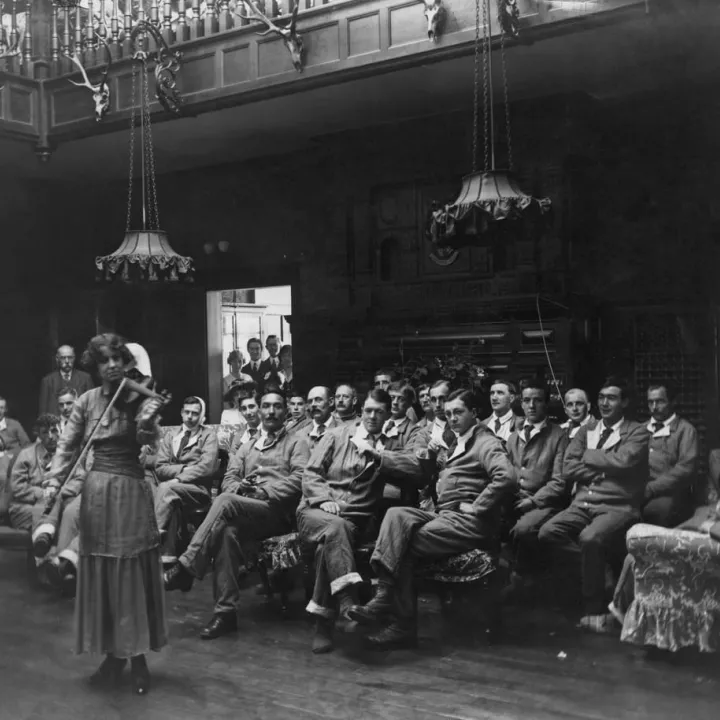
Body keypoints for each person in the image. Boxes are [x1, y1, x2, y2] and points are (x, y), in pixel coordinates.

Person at [45, 333, 168, 695]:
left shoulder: (139, 397)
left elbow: (151, 451)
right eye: (105, 361)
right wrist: (54, 482)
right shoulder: (85, 401)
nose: (113, 366)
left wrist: (147, 421)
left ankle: (138, 658)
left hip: (130, 489)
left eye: (118, 359)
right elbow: (67, 445)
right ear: (95, 367)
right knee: (102, 572)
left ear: (127, 363)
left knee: (130, 571)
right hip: (97, 491)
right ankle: (114, 657)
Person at [39, 345, 94, 415]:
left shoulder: (86, 378)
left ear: (74, 358)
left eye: (70, 357)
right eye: (63, 358)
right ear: (57, 359)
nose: (67, 361)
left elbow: (92, 407)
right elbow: (42, 414)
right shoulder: (47, 381)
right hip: (56, 424)